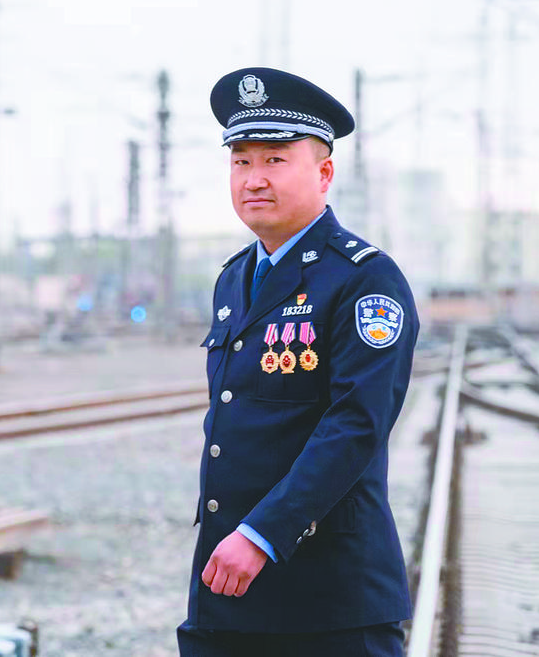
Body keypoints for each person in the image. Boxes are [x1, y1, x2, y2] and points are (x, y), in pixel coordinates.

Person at [178, 67, 418, 656]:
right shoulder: (235, 277)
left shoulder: (364, 278)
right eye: (241, 161)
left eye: (275, 160)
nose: (253, 178)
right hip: (231, 590)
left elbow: (356, 423)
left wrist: (261, 534)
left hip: (329, 599)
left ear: (324, 173)